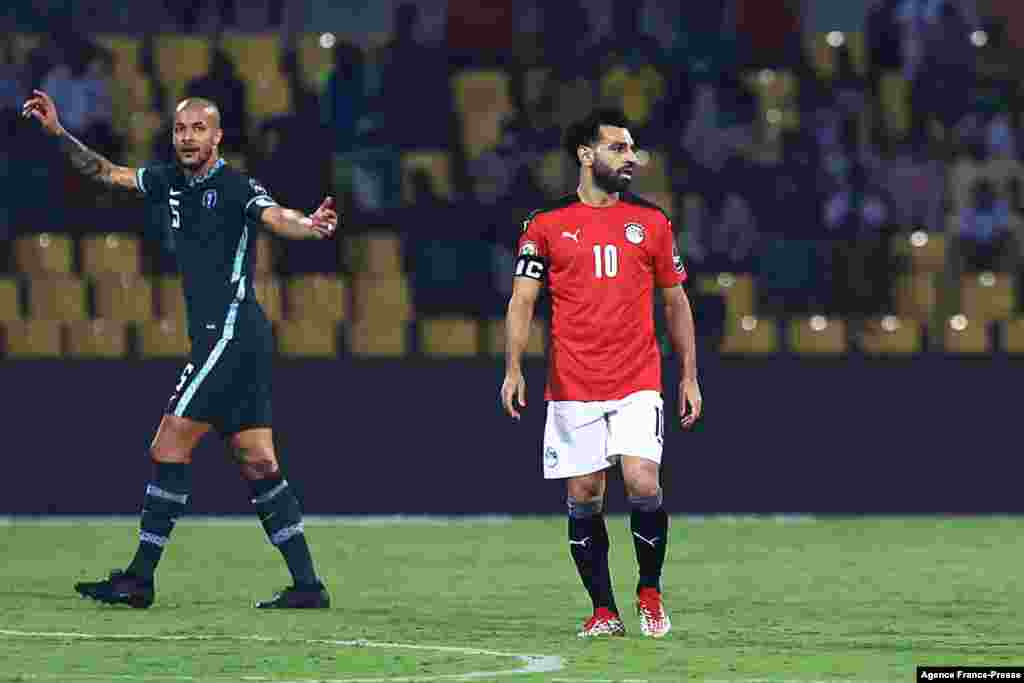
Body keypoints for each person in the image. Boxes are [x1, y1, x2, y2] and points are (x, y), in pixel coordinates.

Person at [22, 89, 338, 609]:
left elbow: (276, 216)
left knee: (167, 446)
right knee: (257, 461)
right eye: (180, 129)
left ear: (217, 137)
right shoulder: (168, 179)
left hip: (230, 335)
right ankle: (308, 586)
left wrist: (310, 225)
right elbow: (107, 173)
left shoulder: (235, 186)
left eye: (198, 129)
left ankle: (139, 579)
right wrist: (58, 133)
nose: (187, 138)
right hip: (233, 339)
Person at [500, 109, 702, 638]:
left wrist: (688, 375)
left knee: (642, 480)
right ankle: (604, 610)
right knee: (585, 494)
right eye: (618, 148)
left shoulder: (651, 222)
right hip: (573, 382)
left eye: (631, 148)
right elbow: (522, 301)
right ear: (586, 155)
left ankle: (649, 591)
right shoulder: (544, 225)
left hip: (638, 377)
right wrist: (513, 368)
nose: (631, 157)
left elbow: (676, 302)